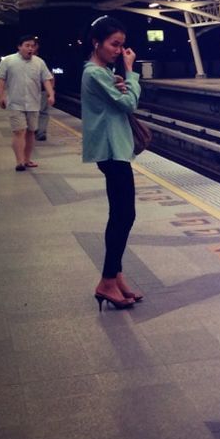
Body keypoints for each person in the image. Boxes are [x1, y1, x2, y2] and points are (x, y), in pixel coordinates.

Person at [81, 16, 143, 310]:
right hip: (110, 150)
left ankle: (115, 276)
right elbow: (129, 104)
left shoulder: (101, 72)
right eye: (113, 44)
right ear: (97, 43)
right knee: (124, 215)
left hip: (114, 149)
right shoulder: (94, 73)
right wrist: (130, 73)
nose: (119, 50)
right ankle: (107, 281)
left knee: (121, 214)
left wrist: (118, 80)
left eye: (121, 45)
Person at [0, 33, 54, 171]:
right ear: (19, 47)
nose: (30, 48)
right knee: (19, 131)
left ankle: (27, 159)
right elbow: (1, 80)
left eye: (32, 46)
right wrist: (0, 96)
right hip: (15, 102)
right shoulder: (8, 61)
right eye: (27, 45)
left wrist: (51, 94)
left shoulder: (39, 62)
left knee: (31, 131)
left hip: (33, 102)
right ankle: (19, 161)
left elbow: (46, 79)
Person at [32, 40, 50, 142]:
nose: (31, 48)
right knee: (35, 112)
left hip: (42, 90)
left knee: (42, 112)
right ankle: (34, 130)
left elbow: (50, 76)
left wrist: (51, 91)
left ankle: (40, 132)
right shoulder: (21, 60)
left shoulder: (42, 61)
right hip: (29, 91)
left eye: (33, 46)